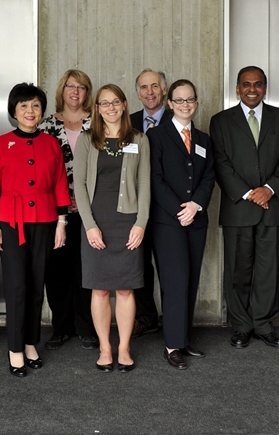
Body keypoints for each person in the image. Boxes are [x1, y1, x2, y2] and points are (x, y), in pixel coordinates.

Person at [0, 83, 70, 377]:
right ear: (13, 111)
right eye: (23, 106)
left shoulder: (51, 144)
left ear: (42, 110)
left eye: (35, 105)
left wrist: (61, 223)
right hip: (10, 222)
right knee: (17, 286)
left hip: (45, 221)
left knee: (36, 286)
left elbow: (59, 184)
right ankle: (15, 347)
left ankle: (31, 341)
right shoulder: (1, 144)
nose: (30, 111)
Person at [209, 66, 279, 350]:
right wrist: (248, 193)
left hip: (272, 205)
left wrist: (269, 189)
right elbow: (220, 163)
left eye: (258, 84)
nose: (252, 89)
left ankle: (263, 324)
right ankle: (241, 324)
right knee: (238, 269)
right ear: (237, 88)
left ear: (265, 87)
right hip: (238, 207)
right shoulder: (221, 121)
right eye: (246, 84)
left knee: (268, 269)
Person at [73, 84, 150, 373]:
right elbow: (79, 185)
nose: (110, 108)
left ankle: (124, 348)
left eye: (115, 102)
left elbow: (144, 184)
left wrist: (141, 223)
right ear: (97, 109)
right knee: (101, 290)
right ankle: (105, 348)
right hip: (96, 223)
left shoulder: (139, 140)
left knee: (126, 289)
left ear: (124, 104)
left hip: (128, 223)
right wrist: (89, 226)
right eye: (104, 104)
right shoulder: (87, 140)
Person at [148, 79, 215, 369]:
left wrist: (196, 205)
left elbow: (209, 176)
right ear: (170, 103)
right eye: (179, 100)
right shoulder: (156, 136)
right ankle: (172, 344)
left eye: (190, 99)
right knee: (175, 282)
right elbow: (155, 179)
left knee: (191, 280)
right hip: (168, 222)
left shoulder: (203, 140)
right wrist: (180, 210)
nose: (185, 104)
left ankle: (183, 339)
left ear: (196, 102)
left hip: (196, 220)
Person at [39, 69, 98, 351]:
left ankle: (87, 327)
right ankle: (61, 327)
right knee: (57, 270)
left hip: (92, 211)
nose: (75, 92)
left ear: (88, 93)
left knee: (86, 269)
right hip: (55, 211)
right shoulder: (46, 125)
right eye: (70, 86)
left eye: (82, 87)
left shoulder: (98, 123)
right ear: (62, 90)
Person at [129, 69, 172, 337]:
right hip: (136, 209)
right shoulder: (128, 121)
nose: (150, 92)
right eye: (144, 87)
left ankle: (172, 317)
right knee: (139, 266)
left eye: (155, 86)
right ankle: (146, 317)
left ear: (164, 89)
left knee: (169, 266)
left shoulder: (178, 116)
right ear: (138, 92)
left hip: (169, 209)